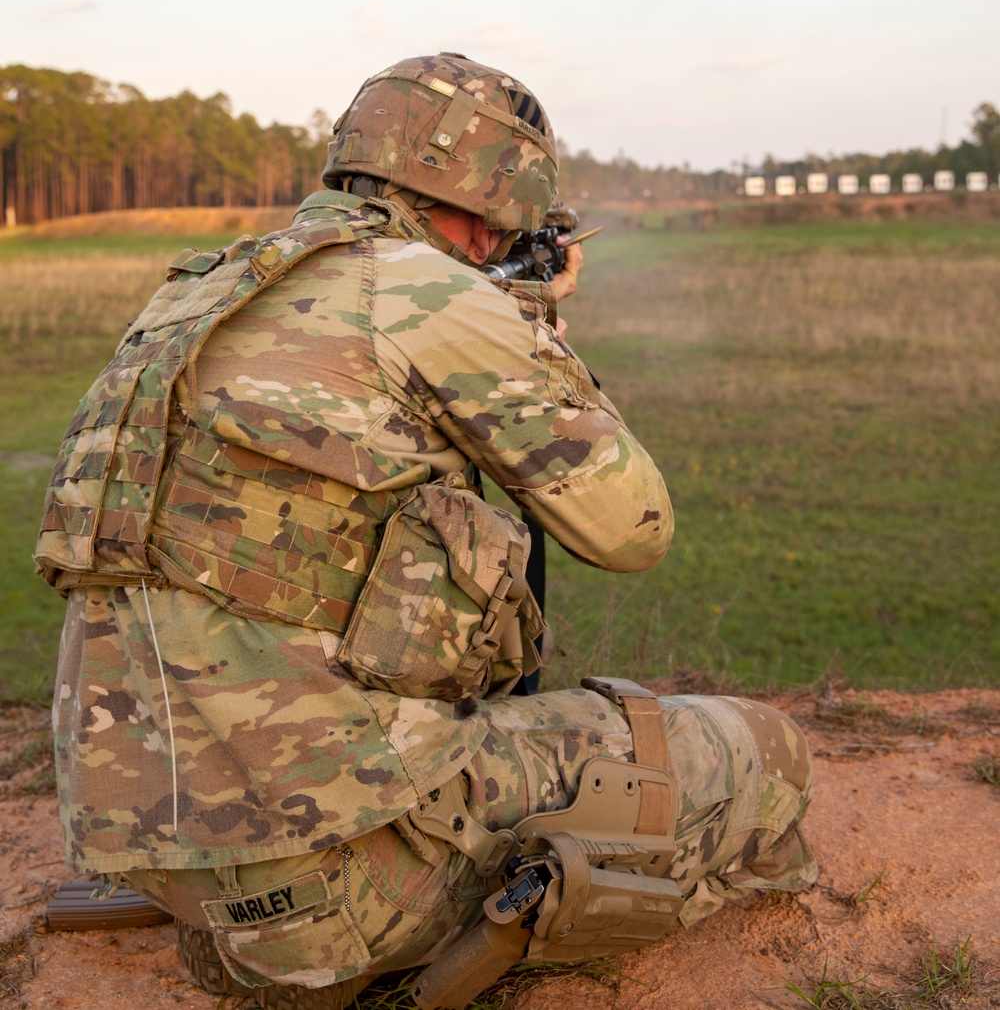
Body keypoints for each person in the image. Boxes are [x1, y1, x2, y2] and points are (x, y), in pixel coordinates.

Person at [35, 53, 815, 1010]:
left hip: (155, 849)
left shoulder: (197, 290)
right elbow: (633, 527)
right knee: (764, 748)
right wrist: (535, 332)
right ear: (495, 206)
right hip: (333, 891)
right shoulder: (434, 293)